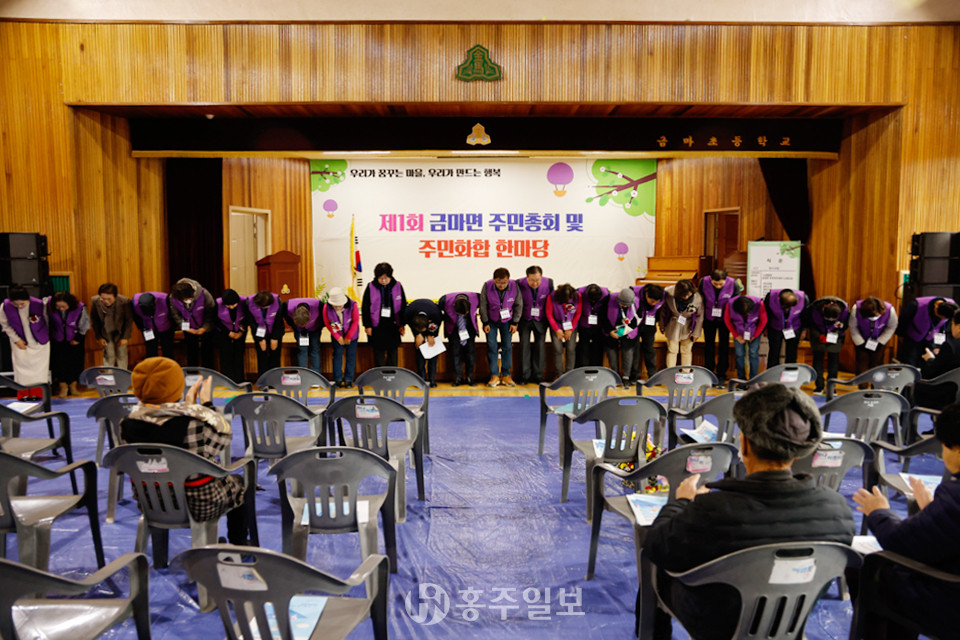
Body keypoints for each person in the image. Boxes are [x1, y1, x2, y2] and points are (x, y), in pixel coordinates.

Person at [641, 383, 855, 640]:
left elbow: (655, 544)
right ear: (797, 452)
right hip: (791, 616)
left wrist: (682, 502)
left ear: (743, 444)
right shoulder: (837, 510)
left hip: (719, 623)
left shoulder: (713, 510)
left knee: (656, 567)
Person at [852, 402, 960, 640]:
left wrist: (878, 511)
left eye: (944, 446)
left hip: (950, 603)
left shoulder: (955, 495)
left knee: (868, 568)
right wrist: (933, 510)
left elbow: (898, 542)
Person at [119, 357, 249, 546]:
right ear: (176, 388)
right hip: (200, 504)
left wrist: (189, 408)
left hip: (151, 503)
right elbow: (223, 438)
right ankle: (240, 543)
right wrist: (205, 406)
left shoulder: (126, 424)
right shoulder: (193, 424)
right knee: (241, 485)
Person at [0, 285, 52, 389]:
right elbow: (5, 325)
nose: (19, 306)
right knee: (21, 372)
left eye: (22, 304)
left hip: (39, 343)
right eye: (15, 304)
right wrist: (16, 339)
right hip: (19, 343)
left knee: (39, 372)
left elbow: (47, 321)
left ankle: (39, 394)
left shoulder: (39, 304)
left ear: (28, 299)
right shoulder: (5, 306)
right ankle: (23, 394)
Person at [479, 267, 522, 387]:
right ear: (494, 280)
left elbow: (518, 304)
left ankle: (506, 375)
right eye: (499, 282)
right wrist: (485, 322)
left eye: (504, 282)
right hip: (491, 321)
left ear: (508, 280)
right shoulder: (487, 286)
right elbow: (483, 305)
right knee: (492, 346)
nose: (502, 285)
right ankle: (494, 375)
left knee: (507, 347)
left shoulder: (514, 286)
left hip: (508, 321)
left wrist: (515, 322)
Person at [699, 269, 742, 382]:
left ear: (725, 280)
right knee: (709, 345)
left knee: (724, 345)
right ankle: (708, 371)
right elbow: (700, 299)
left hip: (725, 319)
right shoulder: (703, 282)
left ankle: (722, 372)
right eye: (715, 284)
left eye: (721, 284)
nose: (718, 286)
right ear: (711, 279)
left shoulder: (733, 283)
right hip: (709, 318)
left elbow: (736, 302)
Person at [362, 262, 407, 367]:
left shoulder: (397, 286)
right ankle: (380, 374)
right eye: (380, 278)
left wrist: (402, 324)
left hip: (393, 324)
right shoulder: (371, 287)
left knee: (393, 353)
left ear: (390, 276)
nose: (383, 281)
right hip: (377, 325)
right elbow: (365, 307)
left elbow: (403, 305)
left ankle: (392, 374)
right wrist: (367, 325)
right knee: (379, 354)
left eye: (386, 278)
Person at [803, 295, 850, 393]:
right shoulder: (814, 309)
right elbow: (810, 324)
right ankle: (819, 386)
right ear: (823, 310)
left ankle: (831, 387)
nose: (830, 321)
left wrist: (835, 334)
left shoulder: (845, 311)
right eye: (828, 318)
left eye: (833, 319)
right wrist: (819, 336)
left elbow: (845, 326)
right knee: (818, 361)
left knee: (834, 362)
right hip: (818, 335)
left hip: (835, 337)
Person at [48, 291, 90, 397]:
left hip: (75, 340)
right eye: (58, 306)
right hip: (58, 340)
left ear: (70, 304)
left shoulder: (80, 308)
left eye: (63, 306)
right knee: (59, 364)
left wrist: (78, 338)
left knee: (75, 364)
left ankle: (73, 386)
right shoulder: (50, 307)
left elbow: (85, 325)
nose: (61, 309)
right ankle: (63, 387)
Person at [516, 266, 553, 384]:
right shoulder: (518, 283)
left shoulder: (549, 283)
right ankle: (524, 376)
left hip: (541, 320)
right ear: (527, 277)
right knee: (524, 347)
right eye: (532, 280)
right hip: (524, 319)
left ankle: (538, 376)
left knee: (540, 347)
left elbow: (551, 303)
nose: (535, 283)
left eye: (537, 280)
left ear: (541, 277)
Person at [897, 295, 958, 367]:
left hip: (932, 338)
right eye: (939, 317)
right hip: (914, 336)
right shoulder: (916, 305)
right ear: (936, 307)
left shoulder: (953, 308)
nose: (942, 319)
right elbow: (903, 322)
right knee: (910, 361)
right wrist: (901, 336)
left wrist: (940, 345)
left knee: (929, 362)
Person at [169, 277, 216, 368]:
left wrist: (205, 328)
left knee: (207, 352)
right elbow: (176, 315)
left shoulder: (204, 294)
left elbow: (211, 313)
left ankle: (208, 374)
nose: (187, 302)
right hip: (189, 329)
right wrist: (186, 328)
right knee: (191, 352)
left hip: (206, 328)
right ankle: (192, 374)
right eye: (183, 300)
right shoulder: (173, 297)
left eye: (188, 299)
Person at [659, 279, 703, 368]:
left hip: (689, 326)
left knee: (686, 350)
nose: (686, 297)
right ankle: (670, 371)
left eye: (688, 294)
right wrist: (662, 325)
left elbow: (700, 317)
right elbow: (663, 311)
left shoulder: (698, 298)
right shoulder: (668, 293)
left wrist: (696, 333)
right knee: (672, 350)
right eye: (683, 295)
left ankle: (686, 373)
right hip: (672, 325)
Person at [438, 291, 479, 386]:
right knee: (455, 353)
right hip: (453, 329)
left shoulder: (476, 298)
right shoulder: (444, 300)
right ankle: (458, 378)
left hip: (469, 328)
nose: (462, 315)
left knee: (470, 353)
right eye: (460, 313)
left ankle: (469, 377)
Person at [849, 296, 899, 374]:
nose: (872, 319)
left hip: (880, 339)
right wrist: (860, 342)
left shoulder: (890, 310)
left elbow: (892, 326)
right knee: (862, 363)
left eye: (875, 316)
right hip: (861, 339)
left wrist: (881, 341)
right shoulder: (856, 309)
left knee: (877, 364)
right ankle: (862, 382)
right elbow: (853, 326)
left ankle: (875, 382)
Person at [601, 287, 640, 386]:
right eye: (623, 304)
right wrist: (610, 331)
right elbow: (602, 317)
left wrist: (622, 332)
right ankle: (615, 375)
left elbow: (636, 320)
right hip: (611, 329)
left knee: (628, 351)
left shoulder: (637, 302)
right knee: (611, 350)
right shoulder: (608, 299)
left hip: (627, 330)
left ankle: (626, 376)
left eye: (627, 305)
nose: (625, 306)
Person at [322, 287, 359, 388]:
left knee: (350, 356)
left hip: (352, 335)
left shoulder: (353, 305)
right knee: (337, 355)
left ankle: (348, 379)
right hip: (337, 335)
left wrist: (349, 336)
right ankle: (337, 379)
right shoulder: (326, 307)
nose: (338, 307)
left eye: (340, 305)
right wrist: (337, 336)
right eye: (335, 305)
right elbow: (327, 323)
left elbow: (355, 321)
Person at [90, 282, 132, 369]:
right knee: (109, 354)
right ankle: (108, 375)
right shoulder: (95, 301)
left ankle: (122, 375)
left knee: (121, 353)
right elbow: (94, 320)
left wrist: (125, 337)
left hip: (120, 331)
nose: (106, 301)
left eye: (109, 299)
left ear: (115, 296)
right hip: (105, 331)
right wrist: (99, 337)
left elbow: (128, 320)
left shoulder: (124, 301)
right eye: (103, 299)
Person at [724, 294, 766, 382]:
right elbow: (727, 320)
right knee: (739, 355)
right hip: (738, 333)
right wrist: (736, 335)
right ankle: (741, 379)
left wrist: (755, 335)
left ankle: (753, 380)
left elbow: (763, 321)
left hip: (754, 332)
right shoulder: (730, 304)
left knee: (753, 354)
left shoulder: (759, 303)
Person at [405, 298, 444, 387]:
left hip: (433, 321)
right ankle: (421, 379)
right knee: (419, 348)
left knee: (432, 349)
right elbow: (409, 323)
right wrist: (417, 334)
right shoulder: (408, 313)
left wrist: (431, 334)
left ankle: (432, 378)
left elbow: (437, 324)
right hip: (416, 320)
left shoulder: (436, 314)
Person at [546, 283, 581, 379]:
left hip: (571, 325)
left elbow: (578, 314)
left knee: (571, 349)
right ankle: (559, 375)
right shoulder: (552, 296)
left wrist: (571, 329)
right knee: (557, 349)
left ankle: (570, 375)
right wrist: (557, 329)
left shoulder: (578, 296)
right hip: (557, 324)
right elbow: (549, 314)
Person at [764, 288, 807, 366]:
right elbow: (766, 314)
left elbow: (805, 316)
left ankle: (790, 371)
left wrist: (804, 330)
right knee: (774, 353)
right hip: (775, 327)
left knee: (792, 353)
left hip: (794, 327)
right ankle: (773, 372)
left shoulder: (804, 298)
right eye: (787, 307)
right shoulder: (770, 298)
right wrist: (766, 328)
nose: (788, 309)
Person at [247, 290, 284, 376]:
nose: (264, 309)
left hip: (275, 331)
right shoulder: (249, 303)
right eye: (262, 307)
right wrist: (260, 339)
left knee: (275, 354)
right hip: (258, 332)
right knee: (261, 354)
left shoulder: (277, 301)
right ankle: (263, 379)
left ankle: (275, 378)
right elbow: (252, 323)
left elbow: (279, 321)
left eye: (266, 307)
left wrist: (275, 338)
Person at [284, 295, 323, 374]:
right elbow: (288, 320)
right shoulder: (287, 307)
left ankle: (316, 373)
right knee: (302, 350)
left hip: (315, 328)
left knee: (315, 349)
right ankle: (302, 374)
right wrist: (297, 328)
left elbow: (323, 319)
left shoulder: (319, 305)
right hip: (299, 331)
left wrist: (317, 327)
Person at [214, 289, 247, 384]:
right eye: (228, 306)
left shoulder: (244, 302)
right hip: (224, 332)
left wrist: (241, 332)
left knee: (239, 355)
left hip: (240, 331)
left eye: (234, 305)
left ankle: (239, 380)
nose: (231, 307)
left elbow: (247, 319)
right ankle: (227, 381)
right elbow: (216, 321)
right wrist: (228, 333)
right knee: (226, 356)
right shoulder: (217, 303)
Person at [633, 283, 664, 381]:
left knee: (650, 349)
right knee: (635, 349)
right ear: (646, 295)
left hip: (650, 324)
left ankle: (653, 375)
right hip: (635, 324)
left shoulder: (662, 295)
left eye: (656, 302)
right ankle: (634, 376)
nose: (654, 303)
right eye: (652, 301)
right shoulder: (635, 293)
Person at [131, 291, 175, 359]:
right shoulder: (134, 303)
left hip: (166, 328)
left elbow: (173, 314)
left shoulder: (165, 299)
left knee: (168, 351)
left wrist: (172, 327)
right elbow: (136, 317)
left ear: (155, 302)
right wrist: (141, 328)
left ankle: (168, 365)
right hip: (148, 329)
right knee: (151, 352)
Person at [575, 284, 608, 367]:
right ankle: (583, 367)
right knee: (583, 347)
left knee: (598, 347)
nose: (593, 302)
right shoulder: (579, 292)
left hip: (598, 325)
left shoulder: (606, 293)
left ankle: (597, 367)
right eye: (592, 300)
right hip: (584, 324)